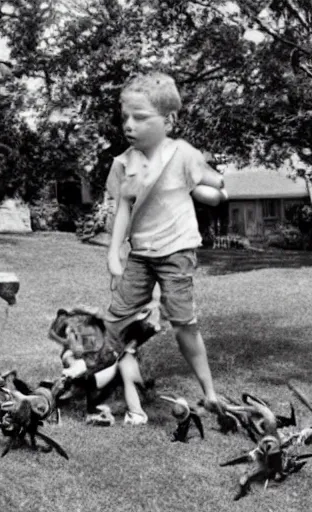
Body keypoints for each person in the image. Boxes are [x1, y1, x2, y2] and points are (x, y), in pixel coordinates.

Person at [105, 72, 226, 421]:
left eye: (141, 118)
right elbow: (123, 210)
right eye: (125, 117)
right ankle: (99, 383)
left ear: (168, 121)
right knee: (115, 319)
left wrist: (212, 189)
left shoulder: (183, 154)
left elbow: (214, 186)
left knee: (183, 322)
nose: (129, 125)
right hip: (141, 254)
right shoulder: (123, 164)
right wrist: (114, 254)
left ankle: (209, 392)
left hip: (177, 252)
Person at [48, 306, 161, 426]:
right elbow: (69, 355)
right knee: (88, 377)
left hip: (133, 366)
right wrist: (71, 364)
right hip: (118, 362)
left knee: (123, 364)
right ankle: (98, 409)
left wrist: (80, 367)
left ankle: (136, 413)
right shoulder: (84, 332)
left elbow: (106, 358)